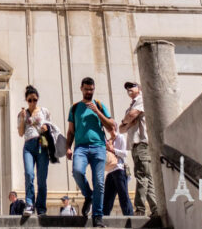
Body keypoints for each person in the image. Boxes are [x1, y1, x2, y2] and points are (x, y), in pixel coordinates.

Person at [66, 76, 115, 228]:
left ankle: (97, 217)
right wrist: (68, 147)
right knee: (77, 171)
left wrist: (97, 112)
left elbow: (111, 126)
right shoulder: (74, 108)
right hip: (80, 147)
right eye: (86, 89)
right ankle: (88, 195)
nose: (89, 92)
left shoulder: (99, 105)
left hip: (98, 147)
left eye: (91, 90)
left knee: (99, 182)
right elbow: (71, 131)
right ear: (81, 89)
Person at [119, 81, 158, 218]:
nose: (129, 89)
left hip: (142, 143)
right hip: (135, 145)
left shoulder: (141, 99)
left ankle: (140, 209)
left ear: (139, 88)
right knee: (148, 177)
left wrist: (127, 121)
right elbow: (121, 129)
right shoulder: (130, 107)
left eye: (132, 86)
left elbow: (131, 116)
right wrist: (127, 122)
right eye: (127, 88)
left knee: (141, 176)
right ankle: (155, 208)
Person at [17, 84, 52, 217]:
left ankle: (41, 208)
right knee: (29, 174)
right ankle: (29, 204)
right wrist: (22, 119)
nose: (32, 102)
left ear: (38, 99)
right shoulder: (22, 113)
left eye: (35, 99)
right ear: (26, 100)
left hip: (42, 144)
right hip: (28, 146)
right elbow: (20, 133)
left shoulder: (44, 111)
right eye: (30, 100)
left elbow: (51, 127)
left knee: (42, 179)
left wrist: (46, 128)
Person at [103, 132, 133, 216]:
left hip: (119, 169)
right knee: (107, 198)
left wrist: (112, 149)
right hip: (110, 171)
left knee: (123, 195)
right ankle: (104, 218)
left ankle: (129, 217)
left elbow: (124, 153)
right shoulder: (109, 140)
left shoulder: (120, 137)